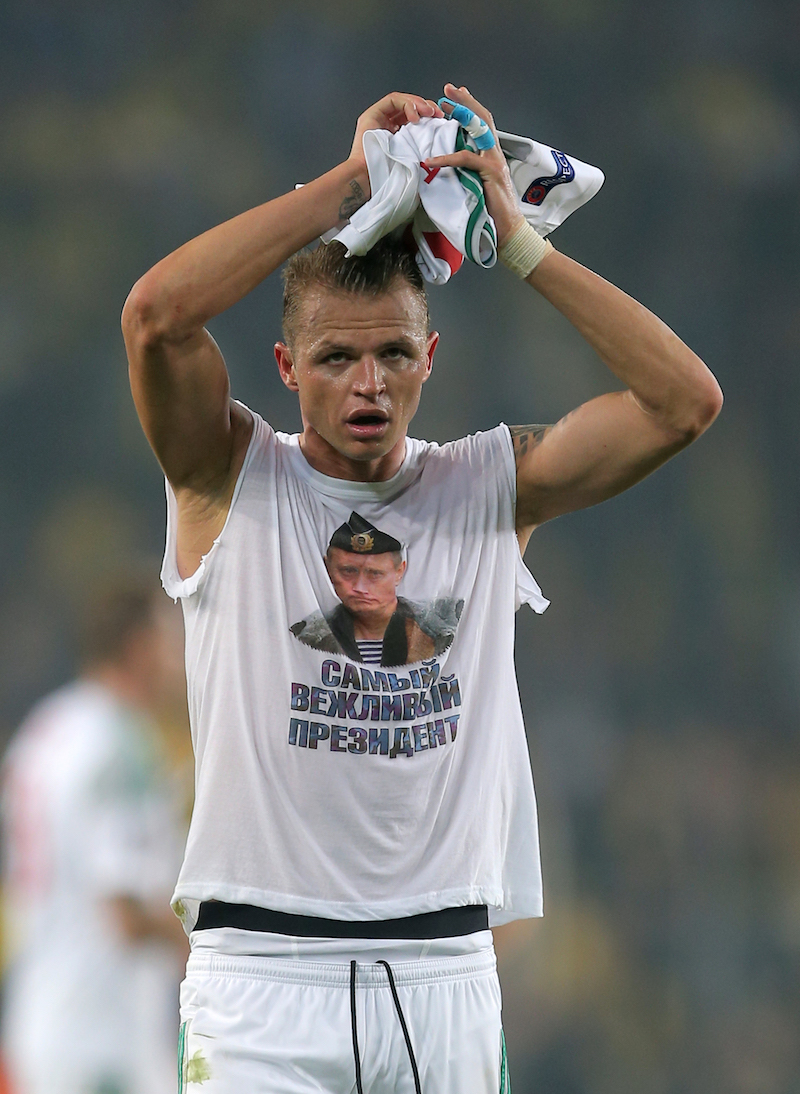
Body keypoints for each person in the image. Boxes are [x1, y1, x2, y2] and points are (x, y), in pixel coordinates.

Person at [121, 84, 722, 1093]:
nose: (369, 384)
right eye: (336, 357)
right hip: (258, 980)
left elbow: (683, 403)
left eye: (394, 353)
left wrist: (521, 247)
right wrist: (348, 186)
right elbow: (154, 316)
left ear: (429, 357)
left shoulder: (487, 486)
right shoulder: (228, 475)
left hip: (442, 974)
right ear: (284, 366)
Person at [1, 579, 190, 1094]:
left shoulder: (47, 728)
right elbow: (123, 913)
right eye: (169, 637)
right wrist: (212, 945)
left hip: (41, 1014)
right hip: (105, 1035)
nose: (180, 654)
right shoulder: (119, 743)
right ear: (138, 646)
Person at [290, 511, 464, 665]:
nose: (360, 587)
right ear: (327, 568)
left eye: (374, 574)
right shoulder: (306, 636)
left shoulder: (440, 630)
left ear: (399, 571)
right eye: (348, 571)